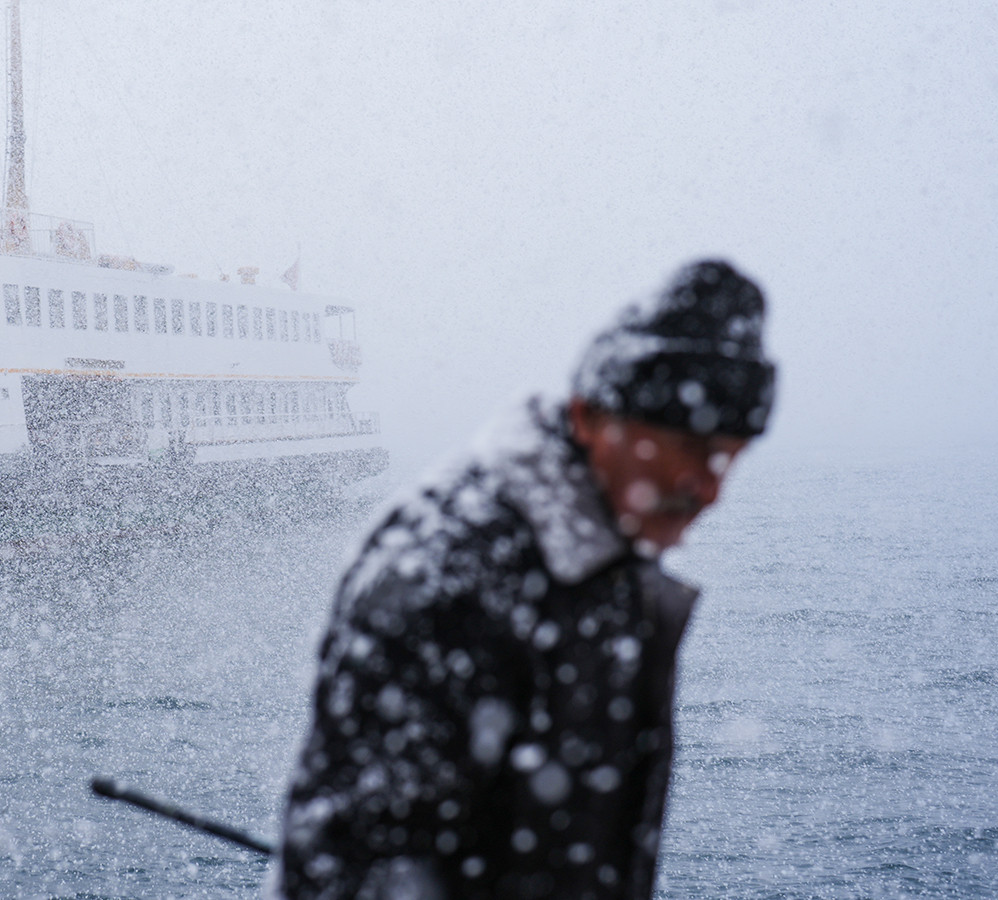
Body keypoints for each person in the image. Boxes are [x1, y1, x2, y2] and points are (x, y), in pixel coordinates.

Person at [274, 260, 777, 899]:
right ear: (590, 419)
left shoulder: (600, 554)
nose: (708, 489)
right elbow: (348, 868)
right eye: (687, 450)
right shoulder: (448, 578)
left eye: (729, 457)